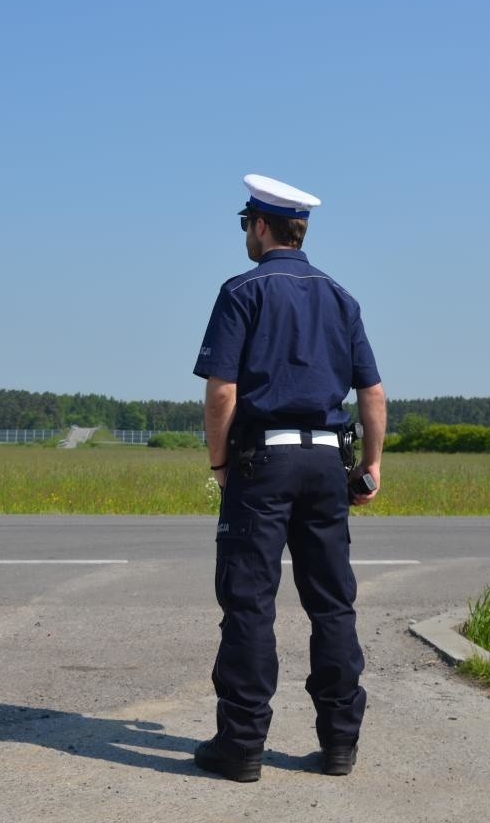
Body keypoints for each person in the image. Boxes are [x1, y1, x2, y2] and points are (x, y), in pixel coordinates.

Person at [192, 173, 386, 782]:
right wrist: (371, 465)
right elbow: (372, 393)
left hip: (263, 462)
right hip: (329, 462)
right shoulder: (340, 295)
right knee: (332, 605)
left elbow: (222, 389)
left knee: (250, 605)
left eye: (246, 224)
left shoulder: (242, 291)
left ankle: (242, 747)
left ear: (260, 225)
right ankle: (339, 745)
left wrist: (220, 462)